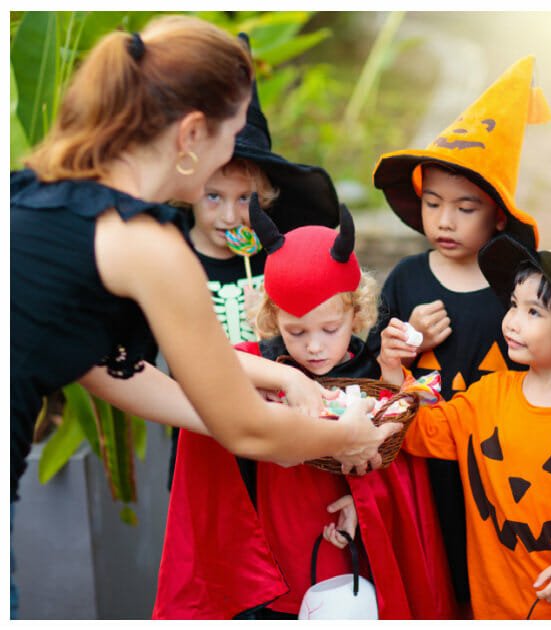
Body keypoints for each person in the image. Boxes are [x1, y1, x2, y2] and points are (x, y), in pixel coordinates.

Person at [10, 12, 395, 532]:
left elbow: (108, 368)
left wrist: (278, 402)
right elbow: (247, 431)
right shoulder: (149, 245)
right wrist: (346, 436)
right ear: (192, 133)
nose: (230, 153)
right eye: (232, 135)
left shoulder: (40, 195)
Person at [154, 201, 454, 619]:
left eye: (330, 329)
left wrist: (366, 506)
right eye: (296, 331)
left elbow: (390, 449)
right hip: (276, 548)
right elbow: (204, 360)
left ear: (356, 313)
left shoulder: (366, 369)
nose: (314, 346)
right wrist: (289, 380)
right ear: (274, 319)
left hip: (344, 540)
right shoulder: (268, 364)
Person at [366, 55, 551, 612]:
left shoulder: (519, 286)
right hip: (424, 458)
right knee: (432, 568)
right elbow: (381, 366)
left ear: (497, 215)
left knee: (491, 573)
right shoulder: (406, 278)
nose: (444, 221)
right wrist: (403, 345)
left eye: (465, 207)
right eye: (432, 204)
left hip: (499, 467)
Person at [382, 235, 551, 619]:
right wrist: (393, 368)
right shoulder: (488, 395)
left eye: (534, 313)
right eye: (514, 305)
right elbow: (418, 434)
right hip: (492, 609)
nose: (512, 321)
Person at [164, 34, 342, 489]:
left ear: (266, 199)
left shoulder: (276, 259)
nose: (229, 215)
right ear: (189, 193)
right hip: (202, 431)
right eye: (213, 196)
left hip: (281, 422)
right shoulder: (171, 261)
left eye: (245, 199)